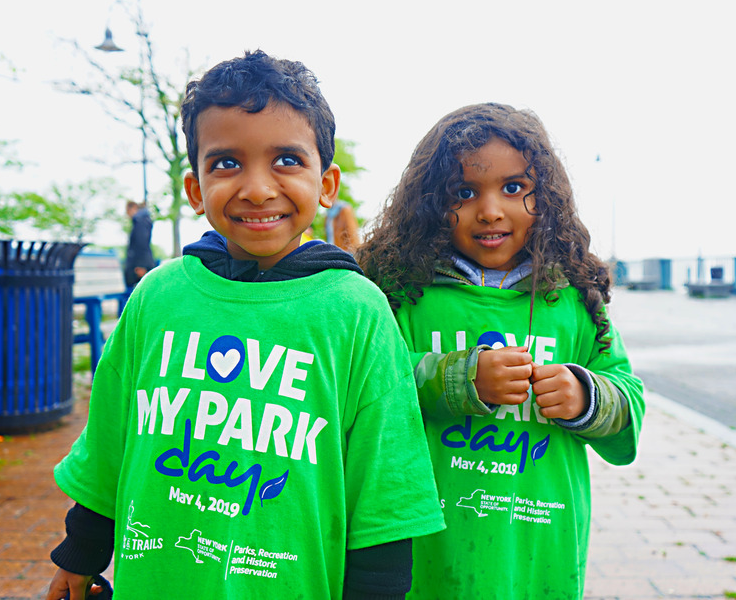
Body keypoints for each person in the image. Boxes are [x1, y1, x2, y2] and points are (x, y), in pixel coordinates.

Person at [45, 50, 445, 600]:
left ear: (326, 185)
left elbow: (386, 497)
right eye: (227, 163)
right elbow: (109, 444)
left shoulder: (357, 311)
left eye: (286, 160)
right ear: (195, 190)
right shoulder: (159, 296)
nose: (257, 188)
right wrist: (79, 554)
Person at [357, 103, 645, 599]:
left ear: (546, 197)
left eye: (514, 188)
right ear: (429, 203)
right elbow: (373, 390)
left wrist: (585, 396)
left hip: (539, 543)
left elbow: (629, 405)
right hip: (432, 542)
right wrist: (460, 379)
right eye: (463, 193)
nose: (490, 210)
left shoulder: (574, 299)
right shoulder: (405, 294)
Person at [123, 200, 156, 290]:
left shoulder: (140, 221)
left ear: (133, 208)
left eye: (127, 212)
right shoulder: (142, 220)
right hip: (141, 263)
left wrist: (142, 265)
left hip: (139, 266)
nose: (128, 215)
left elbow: (141, 243)